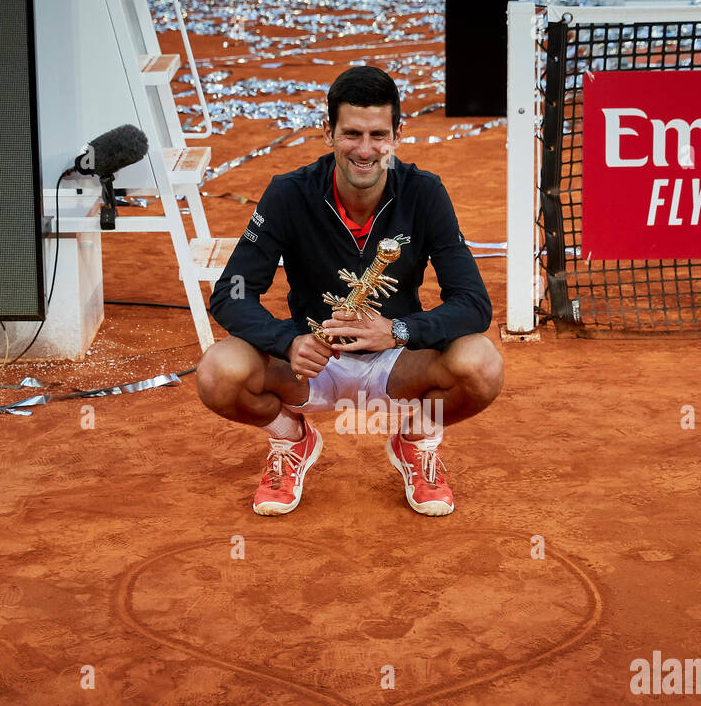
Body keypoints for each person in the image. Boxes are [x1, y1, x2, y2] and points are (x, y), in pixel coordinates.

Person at [197, 66, 503, 517]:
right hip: (311, 363)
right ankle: (291, 439)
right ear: (329, 132)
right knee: (217, 372)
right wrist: (287, 341)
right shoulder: (288, 194)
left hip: (397, 364)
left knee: (483, 364)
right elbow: (232, 291)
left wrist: (398, 330)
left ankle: (416, 441)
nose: (365, 150)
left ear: (398, 134)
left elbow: (473, 304)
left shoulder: (425, 193)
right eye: (352, 134)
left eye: (378, 134)